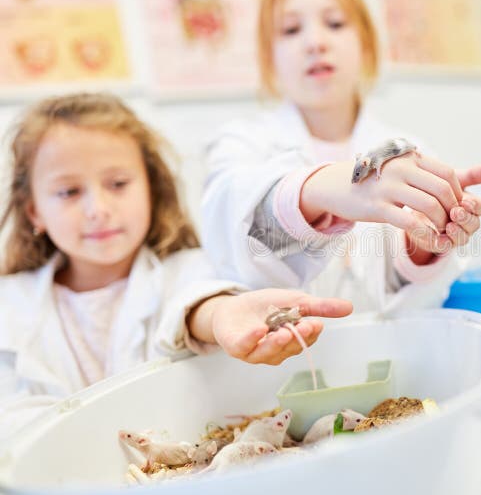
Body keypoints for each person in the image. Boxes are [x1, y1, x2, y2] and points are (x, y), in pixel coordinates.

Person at [0, 93, 352, 438]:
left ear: (151, 189)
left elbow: (197, 307)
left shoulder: (191, 272)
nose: (98, 209)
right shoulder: (10, 305)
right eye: (69, 192)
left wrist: (221, 315)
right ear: (34, 211)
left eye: (118, 184)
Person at [202, 0, 481, 315]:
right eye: (291, 29)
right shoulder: (241, 144)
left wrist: (424, 245)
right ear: (269, 57)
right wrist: (316, 191)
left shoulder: (409, 154)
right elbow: (230, 224)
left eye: (335, 23)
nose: (315, 42)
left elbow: (420, 297)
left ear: (366, 43)